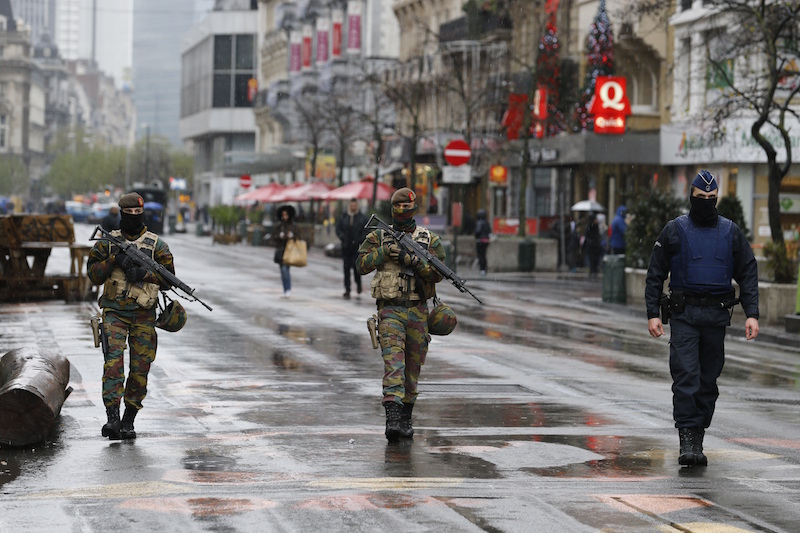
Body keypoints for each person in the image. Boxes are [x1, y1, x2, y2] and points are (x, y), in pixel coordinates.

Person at [645, 170, 759, 467]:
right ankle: (688, 439)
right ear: (691, 198)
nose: (706, 202)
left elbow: (747, 272)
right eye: (701, 198)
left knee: (708, 381)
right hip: (684, 316)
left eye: (711, 198)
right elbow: (655, 274)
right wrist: (652, 314)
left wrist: (753, 314)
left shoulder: (730, 232)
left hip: (715, 317)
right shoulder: (675, 230)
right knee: (687, 377)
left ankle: (698, 430)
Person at [356, 188, 446, 442]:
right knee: (393, 364)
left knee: (412, 369)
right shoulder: (379, 237)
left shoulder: (429, 240)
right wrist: (384, 253)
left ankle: (405, 419)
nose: (403, 213)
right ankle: (393, 420)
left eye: (407, 208)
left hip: (418, 310)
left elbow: (439, 273)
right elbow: (361, 265)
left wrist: (415, 261)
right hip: (390, 310)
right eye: (398, 209)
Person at [87, 192, 175, 440]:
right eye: (129, 213)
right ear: (121, 213)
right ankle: (112, 419)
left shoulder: (157, 245)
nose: (134, 217)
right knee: (113, 365)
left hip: (143, 316)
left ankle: (129, 420)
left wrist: (143, 274)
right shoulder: (107, 242)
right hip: (115, 311)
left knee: (140, 369)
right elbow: (93, 274)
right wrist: (115, 259)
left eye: (138, 213)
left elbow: (169, 280)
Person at [335, 198, 368, 299]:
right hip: (346, 246)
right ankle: (347, 289)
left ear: (357, 206)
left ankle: (358, 284)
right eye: (351, 205)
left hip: (357, 247)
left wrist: (359, 240)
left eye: (355, 205)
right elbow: (338, 229)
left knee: (356, 267)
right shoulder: (344, 217)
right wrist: (342, 237)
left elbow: (365, 231)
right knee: (346, 268)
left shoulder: (362, 218)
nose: (353, 207)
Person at [275, 204, 297, 298]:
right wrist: (280, 236)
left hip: (290, 251)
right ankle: (285, 289)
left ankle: (288, 289)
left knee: (285, 270)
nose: (285, 217)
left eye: (286, 214)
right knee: (283, 271)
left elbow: (300, 237)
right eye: (283, 215)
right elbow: (274, 237)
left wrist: (292, 236)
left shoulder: (293, 226)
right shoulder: (279, 225)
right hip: (281, 251)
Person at [582, 212, 603, 278]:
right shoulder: (589, 227)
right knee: (592, 259)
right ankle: (592, 270)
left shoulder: (596, 227)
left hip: (596, 246)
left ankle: (595, 270)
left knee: (596, 259)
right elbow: (587, 236)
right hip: (591, 247)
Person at [474, 209, 492, 276]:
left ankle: (482, 269)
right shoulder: (487, 222)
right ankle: (484, 269)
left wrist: (477, 236)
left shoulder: (479, 222)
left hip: (480, 241)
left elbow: (477, 231)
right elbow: (489, 231)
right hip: (486, 241)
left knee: (480, 256)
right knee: (484, 255)